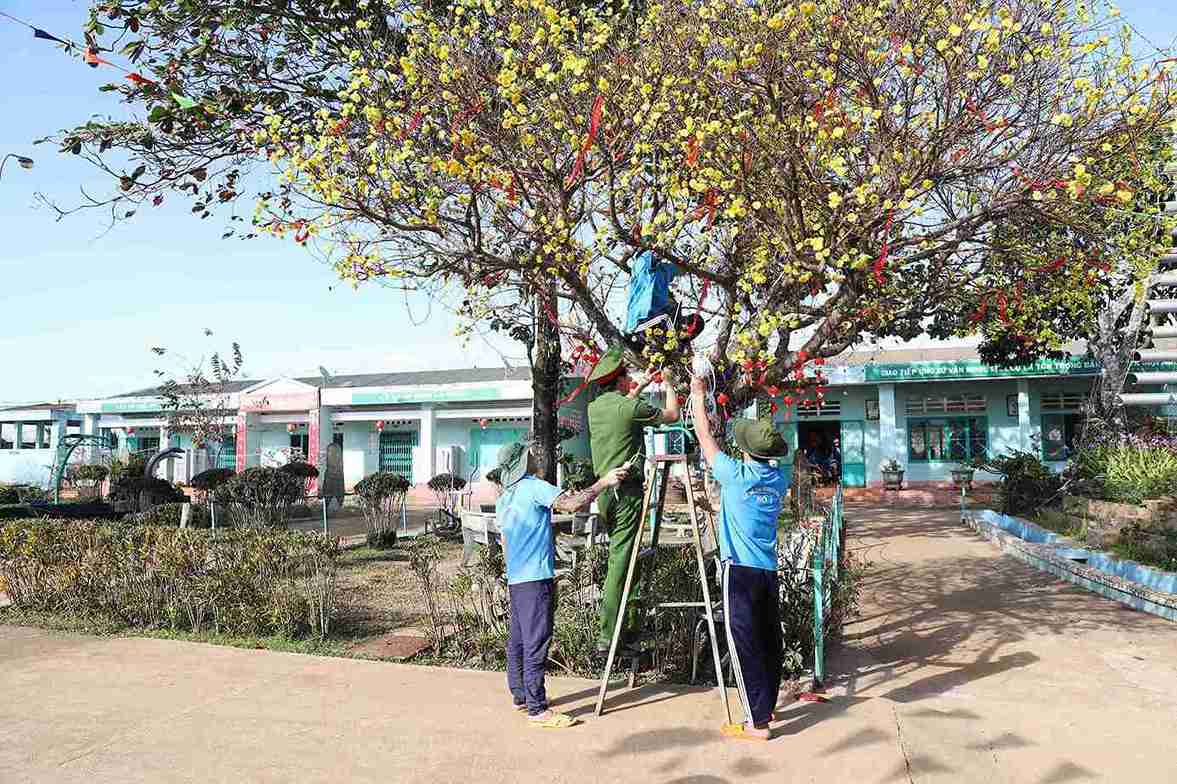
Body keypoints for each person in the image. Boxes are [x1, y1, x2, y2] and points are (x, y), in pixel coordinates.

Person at [493, 440, 629, 728]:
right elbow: (572, 504)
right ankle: (537, 709)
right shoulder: (533, 486)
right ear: (521, 461)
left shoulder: (506, 496)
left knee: (518, 640)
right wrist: (604, 482)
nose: (534, 454)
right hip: (535, 577)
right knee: (536, 640)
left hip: (516, 578)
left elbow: (504, 541)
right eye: (529, 453)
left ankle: (521, 695)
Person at [689, 376, 790, 741]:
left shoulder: (736, 475)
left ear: (745, 451)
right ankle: (767, 706)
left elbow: (703, 437)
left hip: (740, 574)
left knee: (743, 643)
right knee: (768, 641)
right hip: (768, 571)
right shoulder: (778, 480)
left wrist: (698, 396)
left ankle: (756, 723)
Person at [586, 346, 681, 658]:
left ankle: (628, 630)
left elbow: (622, 409)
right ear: (620, 380)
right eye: (627, 375)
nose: (631, 378)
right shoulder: (630, 408)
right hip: (626, 493)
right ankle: (608, 638)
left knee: (629, 559)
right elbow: (672, 415)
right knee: (620, 561)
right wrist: (668, 383)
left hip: (605, 494)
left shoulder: (596, 408)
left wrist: (638, 387)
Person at [623, 248, 704, 351]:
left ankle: (674, 343)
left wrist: (692, 263)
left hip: (653, 323)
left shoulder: (664, 270)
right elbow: (647, 258)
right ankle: (673, 343)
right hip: (639, 322)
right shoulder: (642, 267)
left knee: (676, 316)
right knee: (665, 318)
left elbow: (679, 267)